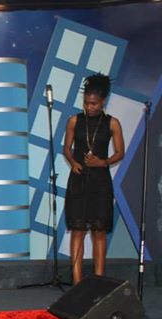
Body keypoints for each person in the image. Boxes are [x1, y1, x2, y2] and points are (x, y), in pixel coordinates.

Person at [63, 73, 125, 285]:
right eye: (86, 103)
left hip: (101, 183)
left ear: (103, 101)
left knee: (99, 231)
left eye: (94, 103)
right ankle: (77, 282)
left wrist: (103, 162)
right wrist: (73, 162)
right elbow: (67, 148)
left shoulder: (112, 123)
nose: (89, 107)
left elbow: (120, 152)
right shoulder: (74, 120)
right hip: (78, 180)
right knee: (78, 230)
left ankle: (99, 280)